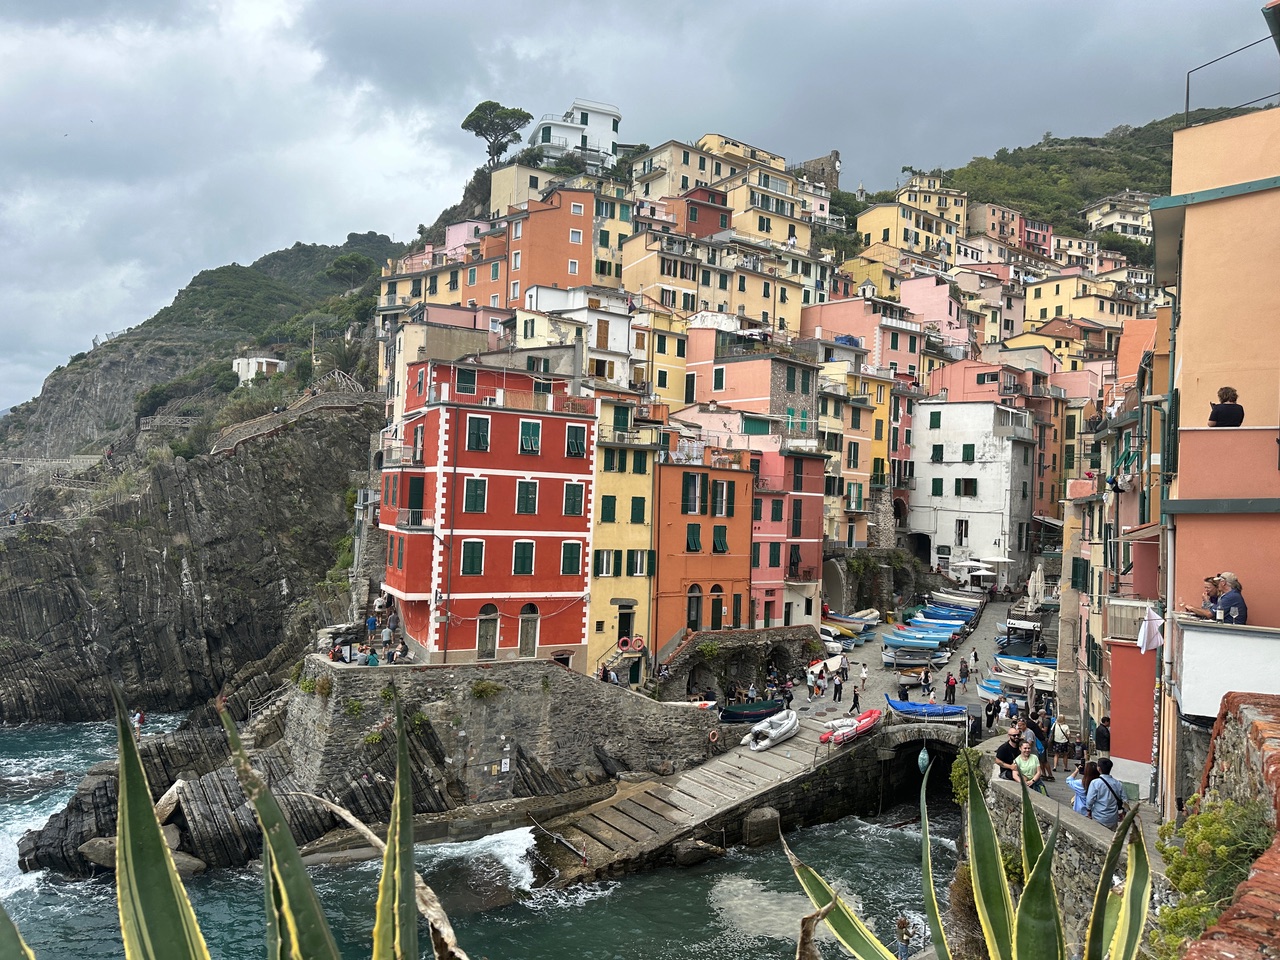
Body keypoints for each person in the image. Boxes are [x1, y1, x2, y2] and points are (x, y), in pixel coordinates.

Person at [1084, 758, 1126, 829]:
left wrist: (1088, 810)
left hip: (1099, 817)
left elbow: (1090, 800)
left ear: (1099, 769)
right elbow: (1125, 801)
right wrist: (1124, 812)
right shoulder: (1118, 784)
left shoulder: (1095, 783)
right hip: (1113, 818)